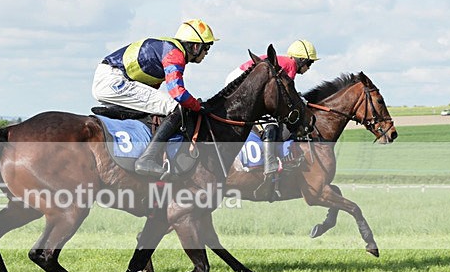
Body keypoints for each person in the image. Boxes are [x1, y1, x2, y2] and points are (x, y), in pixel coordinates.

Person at [92, 19, 218, 176]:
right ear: (195, 46)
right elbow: (177, 93)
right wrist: (198, 106)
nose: (207, 53)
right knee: (175, 107)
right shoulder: (174, 54)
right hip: (114, 80)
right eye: (207, 47)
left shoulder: (167, 49)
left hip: (109, 79)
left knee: (159, 106)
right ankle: (147, 159)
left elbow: (153, 92)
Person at [225, 39, 319, 199]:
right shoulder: (290, 66)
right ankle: (270, 167)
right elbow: (287, 93)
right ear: (301, 60)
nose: (308, 68)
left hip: (239, 78)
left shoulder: (285, 63)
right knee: (271, 124)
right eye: (309, 63)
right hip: (240, 81)